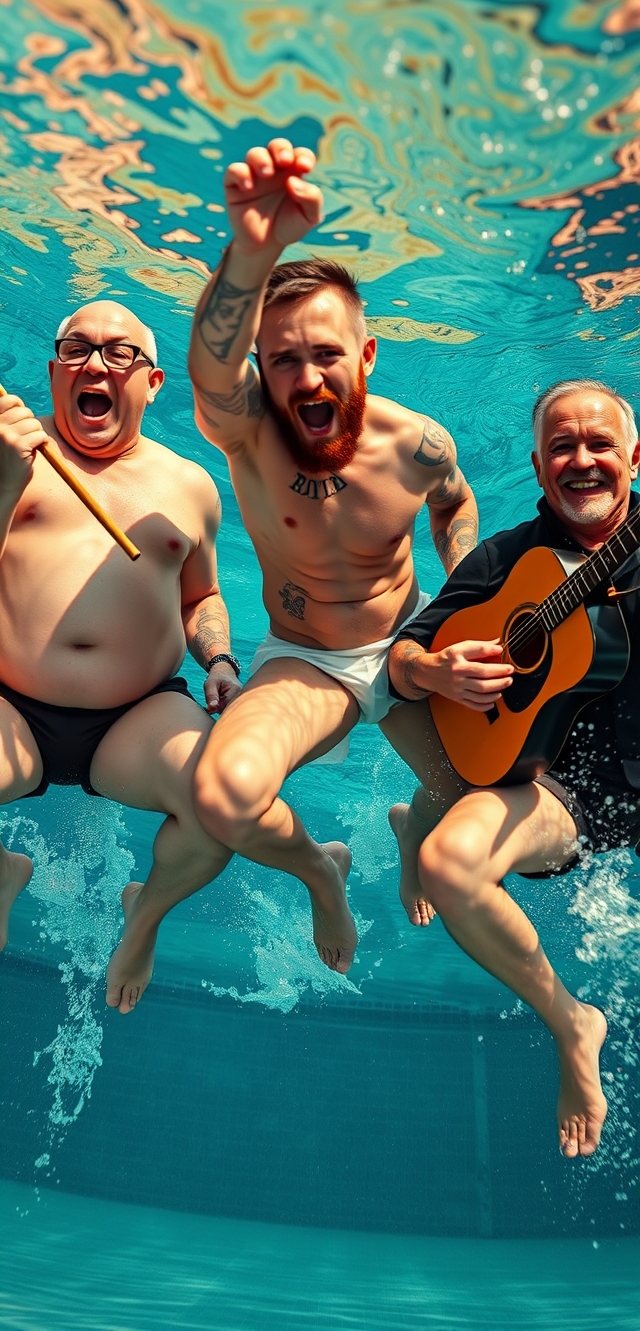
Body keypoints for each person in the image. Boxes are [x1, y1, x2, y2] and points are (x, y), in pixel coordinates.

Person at [187, 135, 479, 974]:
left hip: (412, 652)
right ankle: (323, 871)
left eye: (326, 354)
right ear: (261, 372)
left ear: (367, 356)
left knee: (488, 801)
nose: (308, 379)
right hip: (308, 662)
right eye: (283, 360)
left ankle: (411, 822)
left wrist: (465, 601)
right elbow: (209, 371)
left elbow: (456, 504)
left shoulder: (419, 446)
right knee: (224, 795)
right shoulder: (247, 431)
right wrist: (252, 249)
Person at [387, 378, 640, 1158]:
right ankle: (572, 1023)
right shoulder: (507, 558)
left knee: (445, 855)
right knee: (385, 709)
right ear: (537, 466)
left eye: (600, 443)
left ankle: (431, 807)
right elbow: (400, 661)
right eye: (563, 445)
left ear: (636, 458)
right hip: (535, 777)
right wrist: (435, 673)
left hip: (607, 784)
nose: (583, 460)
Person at [0, 300, 243, 1011]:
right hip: (11, 708)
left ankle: (147, 911)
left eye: (118, 353)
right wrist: (6, 483)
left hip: (138, 716)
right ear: (51, 371)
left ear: (154, 381)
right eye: (76, 348)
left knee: (226, 802)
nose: (95, 364)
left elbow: (203, 597)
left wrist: (221, 659)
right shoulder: (8, 458)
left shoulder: (190, 486)